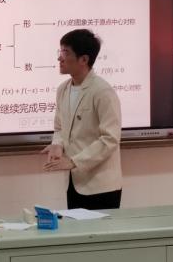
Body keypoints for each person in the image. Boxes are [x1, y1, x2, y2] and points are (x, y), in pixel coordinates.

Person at [42, 29, 122, 210]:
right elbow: (59, 127)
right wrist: (57, 145)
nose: (59, 58)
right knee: (75, 228)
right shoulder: (63, 89)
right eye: (60, 52)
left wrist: (74, 161)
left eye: (65, 53)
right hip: (74, 182)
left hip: (101, 185)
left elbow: (110, 139)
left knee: (99, 230)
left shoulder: (102, 91)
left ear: (84, 59)